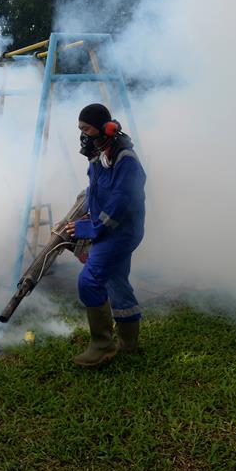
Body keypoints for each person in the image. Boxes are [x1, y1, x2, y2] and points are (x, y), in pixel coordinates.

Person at [64, 103, 146, 367]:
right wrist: (78, 215)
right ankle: (129, 343)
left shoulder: (126, 161)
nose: (83, 136)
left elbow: (121, 204)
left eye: (86, 129)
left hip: (121, 232)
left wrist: (91, 229)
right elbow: (94, 193)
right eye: (81, 130)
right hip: (107, 229)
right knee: (116, 281)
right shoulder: (99, 157)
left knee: (89, 280)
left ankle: (102, 346)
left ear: (106, 128)